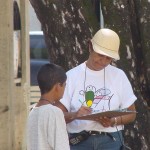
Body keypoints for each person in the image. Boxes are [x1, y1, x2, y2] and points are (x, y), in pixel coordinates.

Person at [56, 28, 137, 150]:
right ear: (90, 46)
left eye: (108, 58)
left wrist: (113, 121)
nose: (103, 61)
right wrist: (75, 114)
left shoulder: (119, 75)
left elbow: (132, 114)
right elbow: (57, 116)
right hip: (78, 141)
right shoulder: (71, 76)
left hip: (111, 140)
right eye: (100, 55)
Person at [27, 63, 70, 150]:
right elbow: (61, 146)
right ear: (58, 86)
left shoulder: (32, 112)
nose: (65, 89)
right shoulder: (54, 112)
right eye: (65, 85)